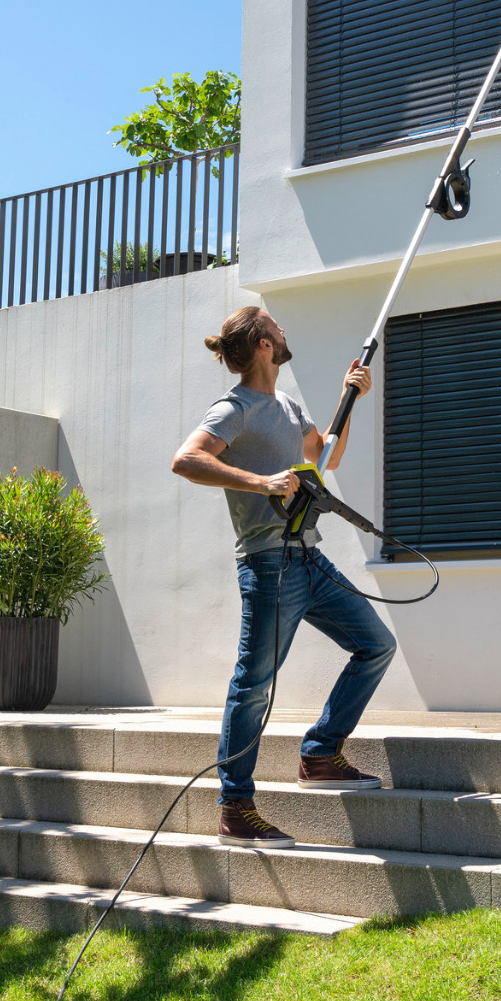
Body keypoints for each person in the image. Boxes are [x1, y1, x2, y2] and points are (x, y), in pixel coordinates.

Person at [171, 305, 396, 846]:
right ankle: (235, 808)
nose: (284, 328)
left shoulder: (288, 406)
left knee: (376, 645)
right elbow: (186, 460)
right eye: (275, 324)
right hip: (268, 565)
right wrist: (262, 482)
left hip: (309, 558)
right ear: (264, 344)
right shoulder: (235, 408)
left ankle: (320, 755)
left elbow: (326, 458)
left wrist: (350, 400)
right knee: (254, 685)